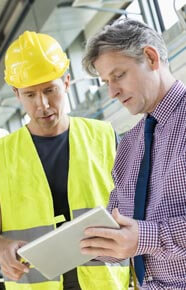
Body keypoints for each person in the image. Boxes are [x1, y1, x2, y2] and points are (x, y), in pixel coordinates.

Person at [0, 31, 129, 289]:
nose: (43, 105)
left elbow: (135, 209)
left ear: (66, 82)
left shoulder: (104, 136)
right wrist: (3, 250)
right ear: (16, 94)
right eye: (30, 95)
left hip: (106, 283)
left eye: (50, 90)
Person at [81, 18, 186, 289]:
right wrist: (80, 245)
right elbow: (122, 228)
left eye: (119, 75)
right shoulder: (128, 146)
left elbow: (140, 236)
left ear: (151, 57)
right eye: (106, 82)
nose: (112, 92)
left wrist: (146, 237)